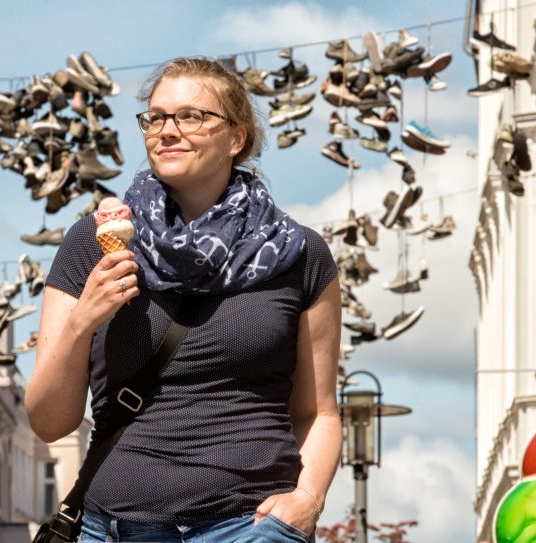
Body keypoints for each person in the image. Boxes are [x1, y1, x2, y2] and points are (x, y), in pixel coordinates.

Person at [26, 56, 341, 543]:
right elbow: (48, 422)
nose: (167, 131)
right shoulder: (93, 243)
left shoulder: (298, 254)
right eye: (156, 117)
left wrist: (306, 502)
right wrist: (80, 322)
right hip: (113, 526)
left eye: (191, 116)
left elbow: (318, 412)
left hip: (247, 527)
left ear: (236, 138)